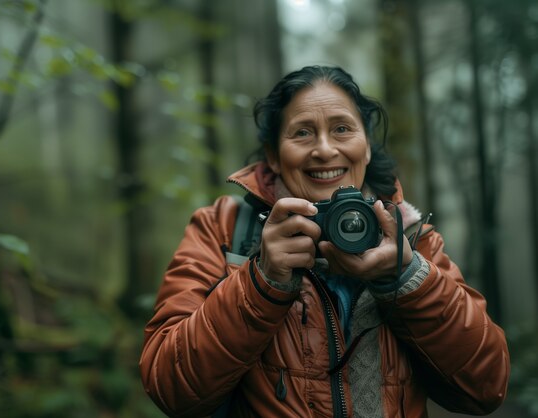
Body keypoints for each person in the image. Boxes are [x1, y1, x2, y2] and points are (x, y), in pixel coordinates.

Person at [139, 65, 510, 417]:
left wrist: (405, 278)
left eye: (342, 129)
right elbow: (171, 388)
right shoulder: (223, 228)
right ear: (274, 154)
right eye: (301, 132)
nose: (324, 149)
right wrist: (262, 281)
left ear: (366, 146)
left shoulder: (412, 237)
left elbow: (485, 386)